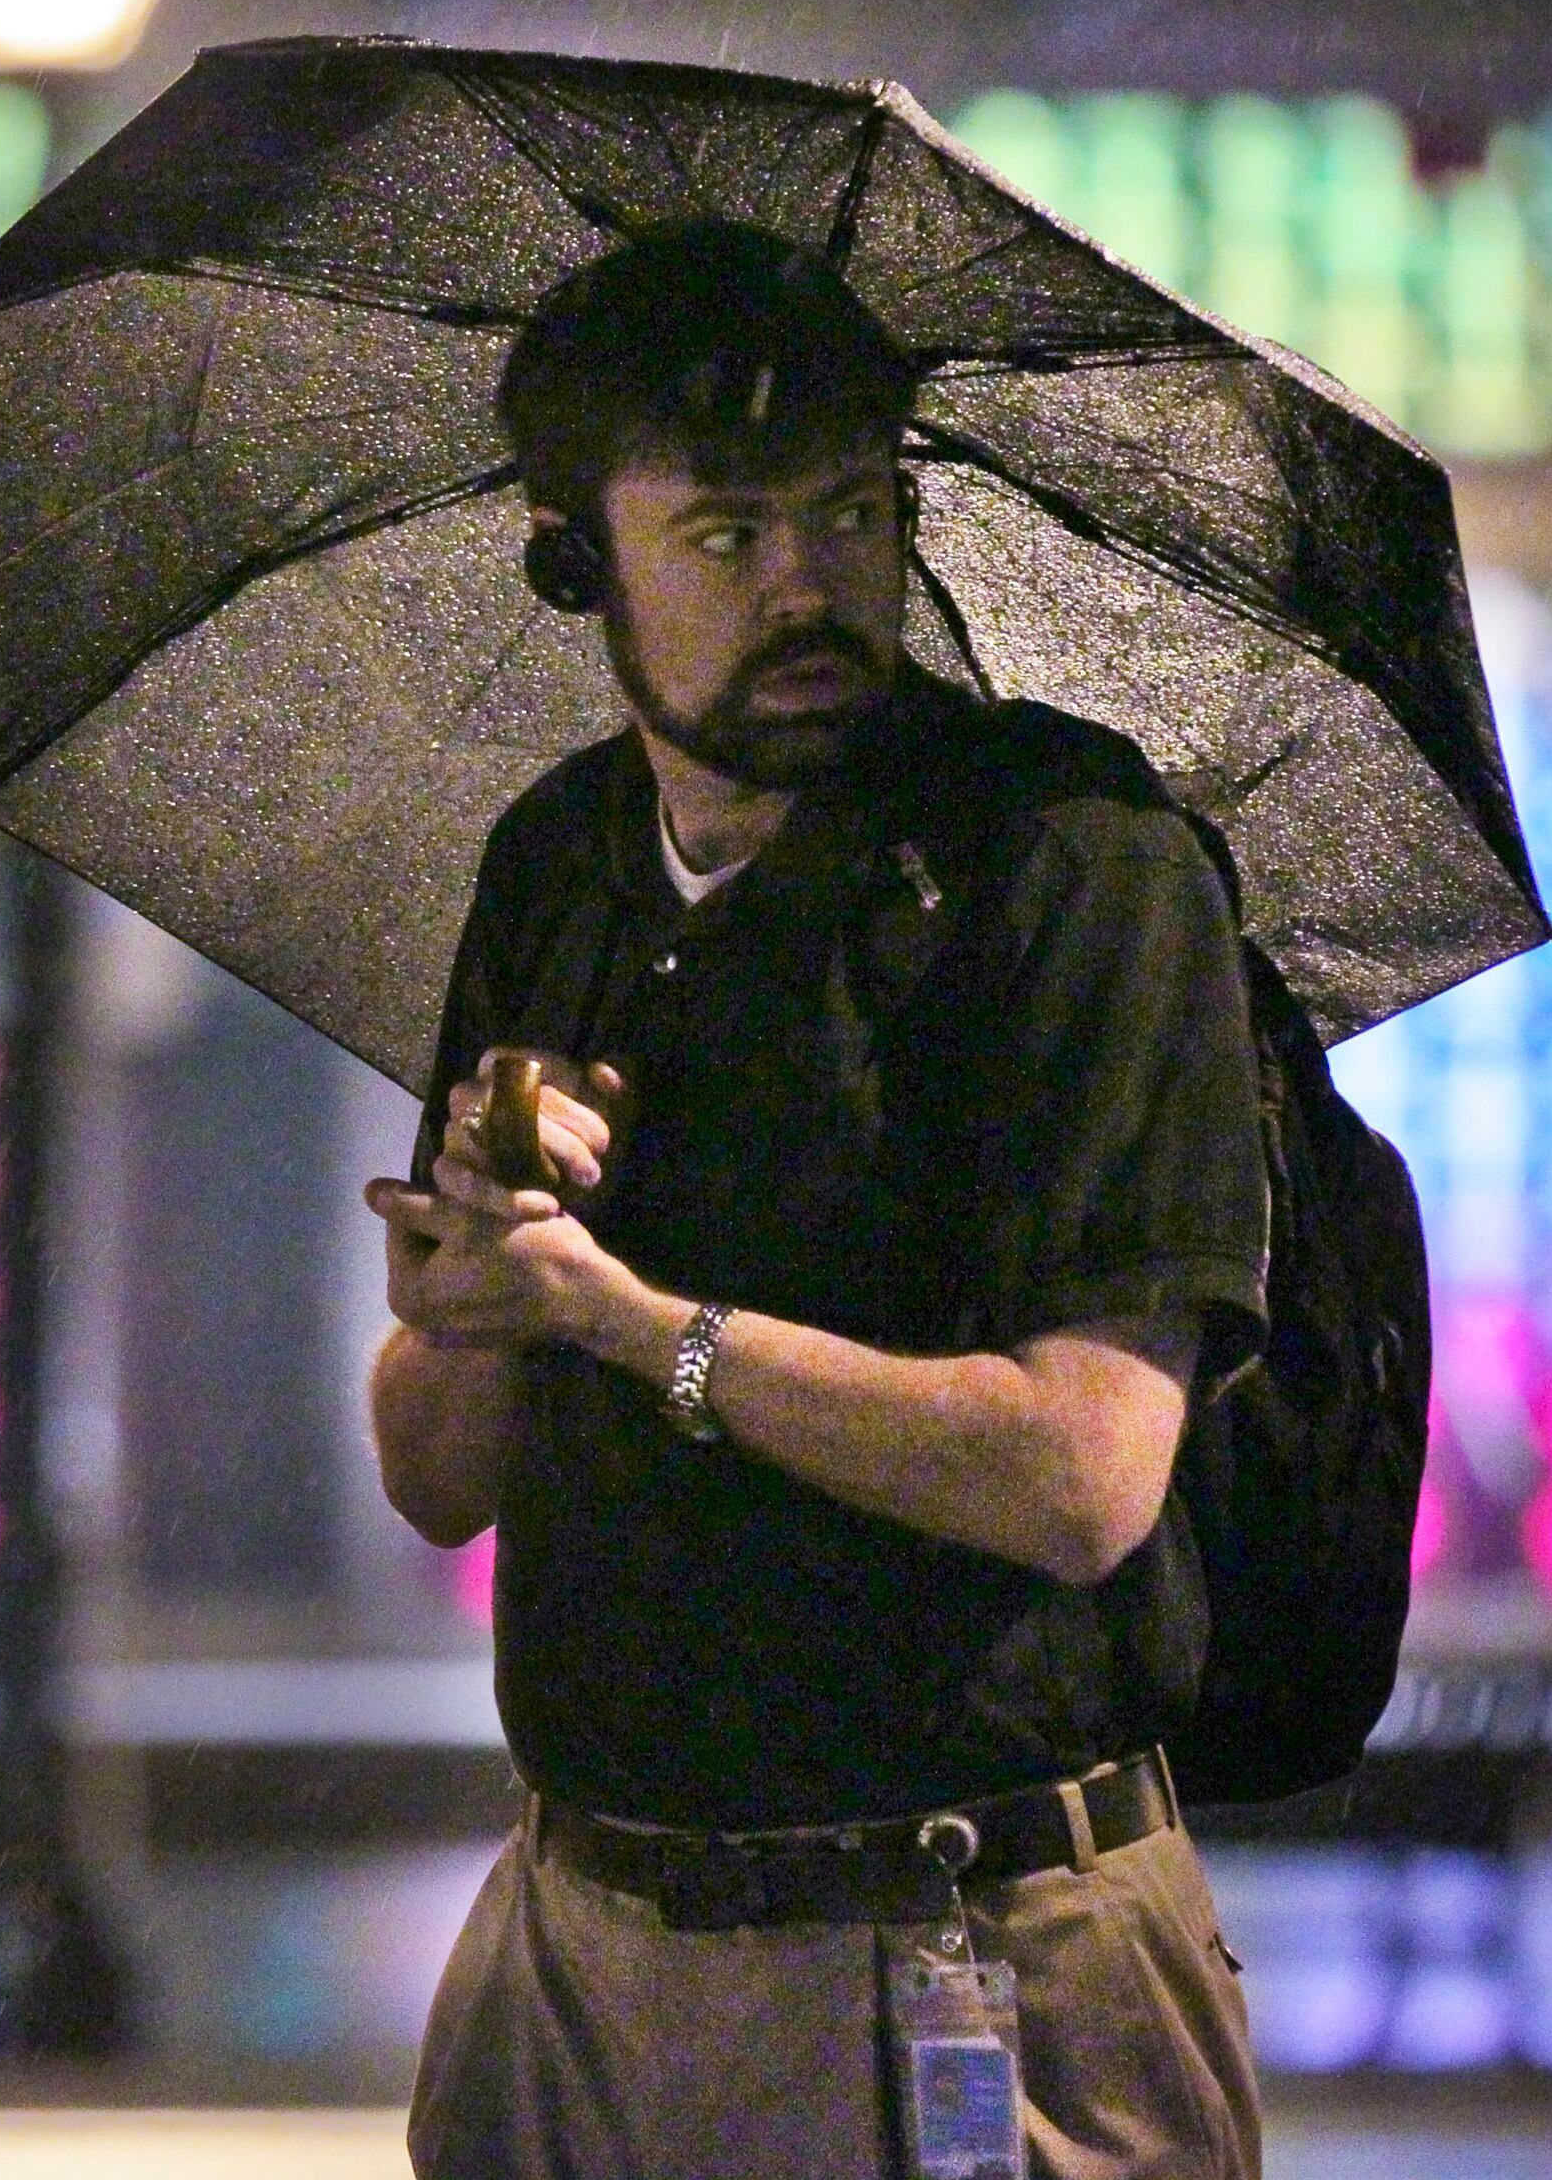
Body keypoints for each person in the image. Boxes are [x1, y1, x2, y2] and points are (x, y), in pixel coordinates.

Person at [365, 221, 1272, 2179]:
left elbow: (1082, 1475)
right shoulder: (562, 869)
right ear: (581, 560)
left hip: (972, 1942)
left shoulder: (1069, 860)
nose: (807, 583)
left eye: (852, 513)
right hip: (587, 1946)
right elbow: (440, 1474)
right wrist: (472, 1286)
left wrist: (637, 1324)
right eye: (725, 534)